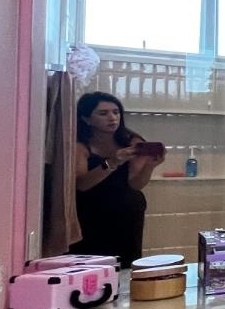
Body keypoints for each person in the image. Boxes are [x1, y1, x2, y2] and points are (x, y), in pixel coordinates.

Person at [70, 92, 163, 264]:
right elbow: (81, 184)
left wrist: (150, 165)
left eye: (116, 112)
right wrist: (113, 162)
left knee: (126, 264)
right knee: (91, 264)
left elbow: (135, 184)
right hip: (90, 214)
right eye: (103, 113)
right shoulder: (80, 146)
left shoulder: (130, 141)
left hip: (127, 214)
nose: (112, 118)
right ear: (86, 118)